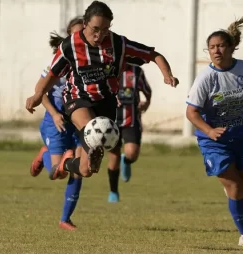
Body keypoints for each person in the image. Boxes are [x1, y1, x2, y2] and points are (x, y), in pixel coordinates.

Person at [25, 1, 179, 181]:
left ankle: (65, 164)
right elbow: (52, 74)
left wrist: (167, 74)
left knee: (85, 170)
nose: (99, 35)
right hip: (77, 98)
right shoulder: (70, 46)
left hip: (106, 101)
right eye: (95, 29)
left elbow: (153, 55)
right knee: (91, 130)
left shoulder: (117, 43)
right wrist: (37, 95)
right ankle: (92, 148)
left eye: (105, 29)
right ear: (85, 23)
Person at [185, 14, 243, 247]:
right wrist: (209, 130)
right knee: (235, 186)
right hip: (214, 142)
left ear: (232, 47)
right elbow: (191, 113)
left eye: (221, 46)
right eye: (212, 47)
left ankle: (233, 192)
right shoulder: (205, 78)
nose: (216, 51)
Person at [29, 17, 84, 231]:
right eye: (75, 35)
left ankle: (65, 219)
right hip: (57, 122)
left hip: (78, 122)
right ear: (69, 36)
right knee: (55, 174)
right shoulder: (59, 60)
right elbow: (39, 91)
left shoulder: (91, 63)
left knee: (79, 169)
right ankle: (45, 154)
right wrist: (54, 114)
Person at [107, 64, 152, 203]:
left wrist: (146, 103)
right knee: (113, 159)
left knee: (132, 153)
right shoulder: (107, 69)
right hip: (111, 120)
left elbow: (147, 91)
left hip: (131, 120)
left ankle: (126, 160)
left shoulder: (136, 71)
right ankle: (113, 192)